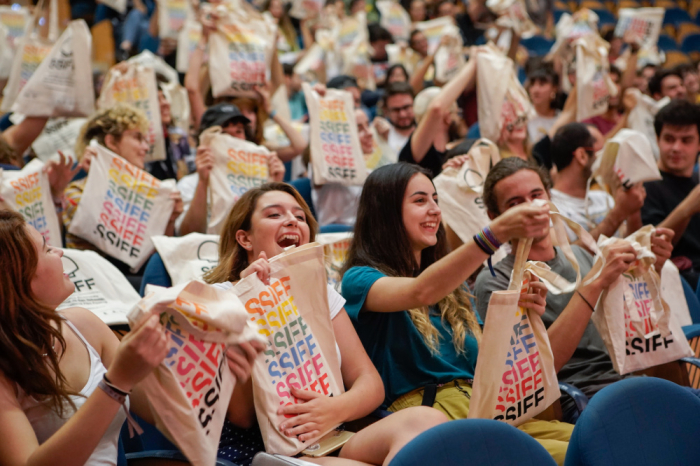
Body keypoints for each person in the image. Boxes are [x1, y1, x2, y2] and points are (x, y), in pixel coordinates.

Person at [340, 163, 576, 465]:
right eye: (420, 200)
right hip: (430, 418)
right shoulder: (359, 279)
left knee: (595, 441)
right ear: (386, 212)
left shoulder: (455, 288)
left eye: (436, 199)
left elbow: (494, 368)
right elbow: (420, 292)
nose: (435, 210)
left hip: (490, 410)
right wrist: (497, 232)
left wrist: (526, 318)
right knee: (573, 457)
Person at [204, 183, 449, 466]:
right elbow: (242, 417)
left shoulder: (321, 292)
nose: (292, 221)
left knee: (428, 421)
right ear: (245, 239)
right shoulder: (221, 299)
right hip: (263, 449)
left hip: (331, 433)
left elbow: (369, 383)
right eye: (274, 214)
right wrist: (247, 300)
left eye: (300, 216)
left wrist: (334, 409)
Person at [475, 157, 675, 423]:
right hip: (573, 397)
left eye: (537, 195)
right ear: (494, 217)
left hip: (623, 381)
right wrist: (594, 283)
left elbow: (631, 333)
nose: (531, 207)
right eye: (515, 203)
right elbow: (532, 374)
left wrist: (652, 267)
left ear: (550, 197)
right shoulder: (496, 281)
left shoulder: (580, 257)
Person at [0, 210, 168, 466]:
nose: (60, 252)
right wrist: (115, 384)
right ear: (18, 277)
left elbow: (164, 411)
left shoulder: (84, 324)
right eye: (47, 249)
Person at [62, 104, 183, 275]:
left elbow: (160, 260)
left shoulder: (148, 193)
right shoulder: (74, 191)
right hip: (99, 281)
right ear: (111, 141)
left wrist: (169, 220)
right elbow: (114, 245)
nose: (145, 147)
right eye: (137, 138)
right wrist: (99, 177)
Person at [177, 103, 287, 236]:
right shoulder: (188, 184)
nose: (233, 139)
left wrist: (274, 185)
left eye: (239, 131)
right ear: (205, 141)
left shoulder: (262, 179)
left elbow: (277, 230)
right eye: (224, 133)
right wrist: (203, 182)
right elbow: (187, 235)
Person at [549, 123, 645, 242]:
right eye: (596, 152)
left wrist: (633, 212)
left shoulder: (603, 198)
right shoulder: (551, 208)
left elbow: (632, 243)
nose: (599, 158)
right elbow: (570, 253)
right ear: (582, 156)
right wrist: (618, 214)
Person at [641, 100, 700, 288]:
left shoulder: (696, 180)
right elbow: (647, 249)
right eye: (669, 139)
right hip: (676, 282)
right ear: (657, 140)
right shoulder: (645, 186)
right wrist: (687, 208)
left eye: (686, 140)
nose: (676, 148)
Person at [398, 52, 477, 177]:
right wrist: (473, 64)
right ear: (447, 116)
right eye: (456, 113)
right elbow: (436, 108)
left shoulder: (454, 140)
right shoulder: (417, 146)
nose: (459, 117)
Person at [311, 107, 376, 227]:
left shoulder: (369, 170)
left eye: (368, 125)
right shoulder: (325, 163)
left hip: (363, 232)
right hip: (334, 233)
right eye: (359, 129)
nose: (369, 133)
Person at [373, 82, 416, 154]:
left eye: (406, 107)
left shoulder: (428, 129)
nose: (402, 114)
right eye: (396, 110)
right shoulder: (381, 134)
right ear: (386, 111)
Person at [526, 67, 560, 144]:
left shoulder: (562, 119)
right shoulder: (523, 117)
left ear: (554, 88)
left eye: (542, 84)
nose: (535, 90)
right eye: (532, 84)